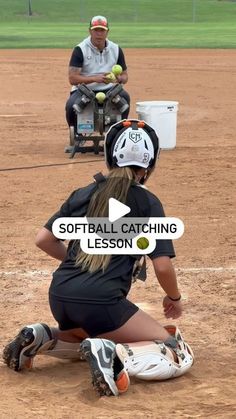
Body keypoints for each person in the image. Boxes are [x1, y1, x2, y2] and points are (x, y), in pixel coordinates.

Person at [3, 119, 194, 397]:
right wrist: (174, 298)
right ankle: (112, 354)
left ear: (110, 156)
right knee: (172, 346)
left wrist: (78, 262)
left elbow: (43, 240)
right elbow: (162, 266)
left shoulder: (83, 193)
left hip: (60, 296)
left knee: (85, 336)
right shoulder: (146, 201)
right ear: (149, 165)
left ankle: (43, 337)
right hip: (102, 303)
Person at [65, 15, 130, 139]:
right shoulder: (80, 49)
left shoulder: (116, 49)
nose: (99, 34)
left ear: (107, 32)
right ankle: (77, 136)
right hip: (84, 89)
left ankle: (117, 136)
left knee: (125, 98)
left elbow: (125, 76)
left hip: (110, 89)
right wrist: (95, 79)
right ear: (90, 31)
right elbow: (72, 79)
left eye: (102, 30)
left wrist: (119, 79)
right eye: (96, 30)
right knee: (71, 105)